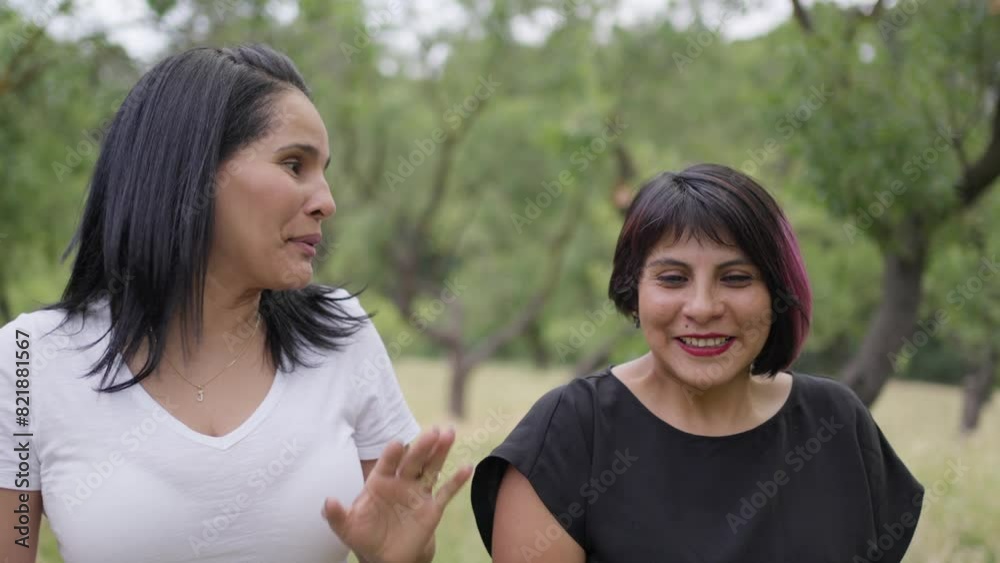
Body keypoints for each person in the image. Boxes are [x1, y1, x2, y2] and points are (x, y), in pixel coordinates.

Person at [0, 44, 470, 563]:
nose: (326, 201)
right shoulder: (27, 360)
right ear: (193, 172)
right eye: (294, 165)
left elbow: (399, 543)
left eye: (323, 171)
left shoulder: (343, 335)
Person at [470, 163, 924, 562]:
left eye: (736, 278)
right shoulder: (570, 434)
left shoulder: (837, 423)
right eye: (672, 278)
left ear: (778, 293)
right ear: (634, 290)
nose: (703, 307)